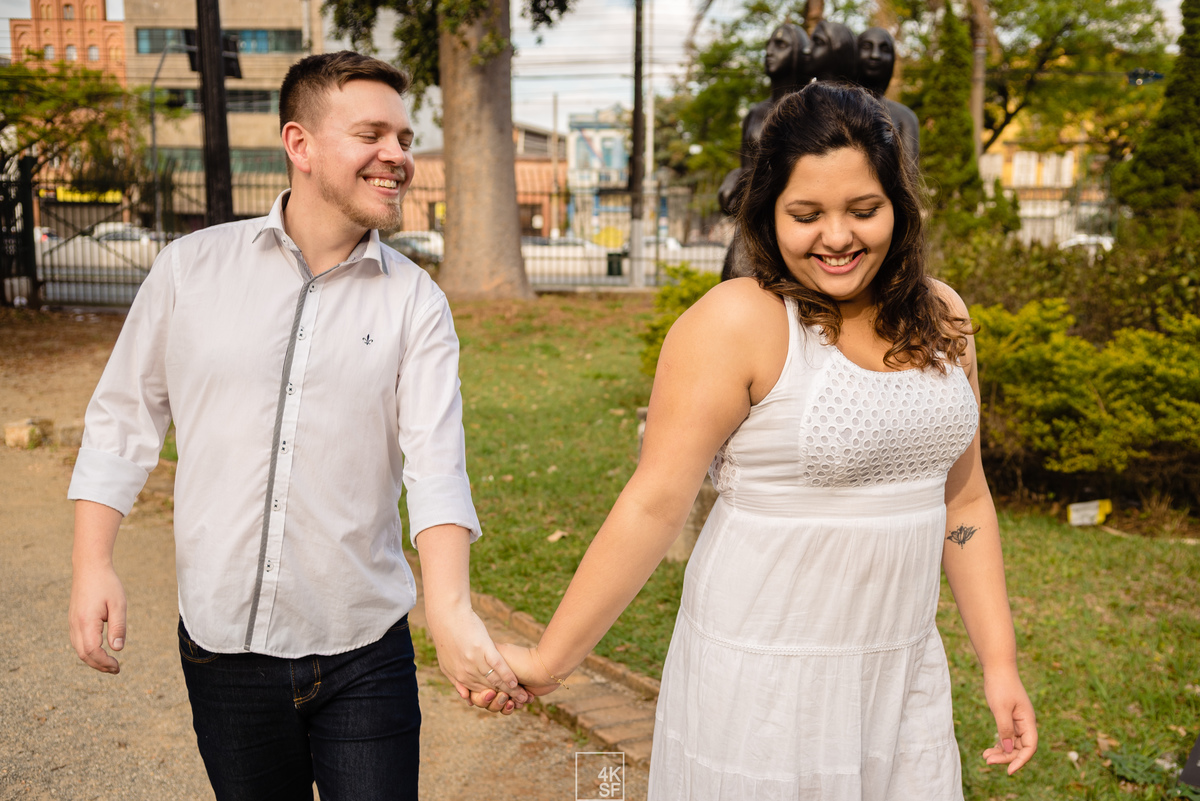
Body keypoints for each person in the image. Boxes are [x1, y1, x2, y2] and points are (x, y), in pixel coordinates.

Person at [500, 82, 1037, 799]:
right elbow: (654, 505)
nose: (838, 237)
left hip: (900, 671)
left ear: (899, 208)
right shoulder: (736, 321)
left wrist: (999, 665)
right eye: (806, 214)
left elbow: (964, 500)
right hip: (765, 683)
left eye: (864, 209)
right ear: (768, 213)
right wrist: (549, 659)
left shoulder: (943, 316)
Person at [66, 51, 525, 801]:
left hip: (363, 651)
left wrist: (449, 612)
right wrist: (93, 564)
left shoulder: (417, 304)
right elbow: (123, 420)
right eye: (372, 133)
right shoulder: (189, 271)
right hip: (222, 649)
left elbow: (436, 466)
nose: (399, 157)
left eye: (405, 139)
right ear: (300, 144)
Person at [719, 22, 812, 280]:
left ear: (801, 56)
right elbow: (745, 168)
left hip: (791, 221)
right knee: (735, 287)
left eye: (781, 45)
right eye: (770, 44)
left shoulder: (810, 112)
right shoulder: (755, 113)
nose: (769, 51)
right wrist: (732, 178)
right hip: (751, 224)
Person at [855, 26, 921, 164]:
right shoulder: (834, 108)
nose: (875, 55)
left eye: (884, 49)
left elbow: (909, 179)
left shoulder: (904, 117)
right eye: (867, 47)